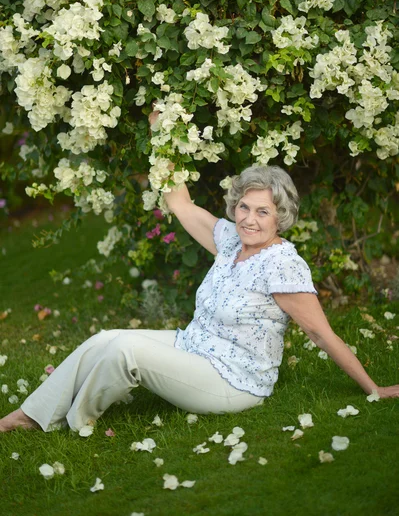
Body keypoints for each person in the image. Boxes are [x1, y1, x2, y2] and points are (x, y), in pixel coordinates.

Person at [1, 157, 398, 433]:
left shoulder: (282, 264)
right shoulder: (229, 240)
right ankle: (29, 414)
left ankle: (74, 421)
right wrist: (164, 131)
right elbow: (180, 201)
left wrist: (373, 388)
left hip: (234, 382)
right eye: (244, 207)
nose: (249, 219)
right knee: (104, 340)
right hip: (194, 347)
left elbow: (321, 334)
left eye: (262, 212)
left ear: (280, 217)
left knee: (125, 351)